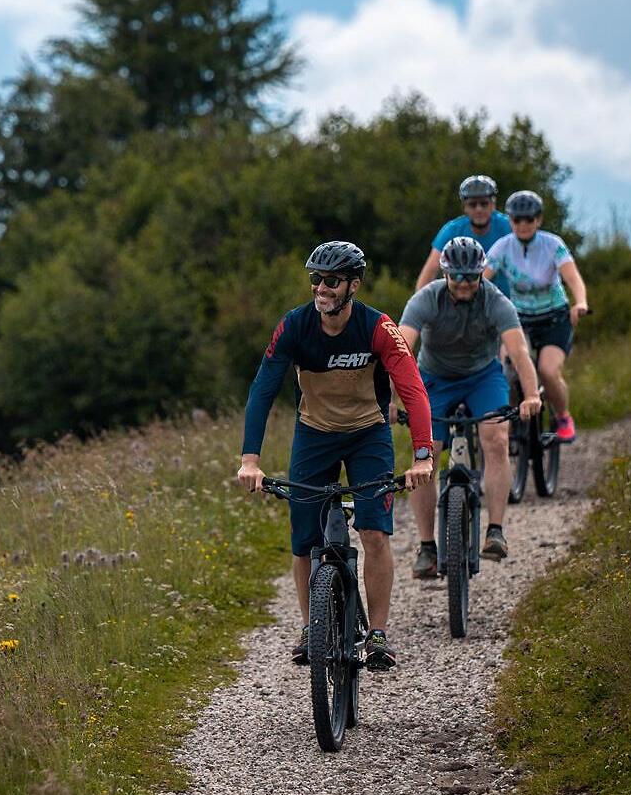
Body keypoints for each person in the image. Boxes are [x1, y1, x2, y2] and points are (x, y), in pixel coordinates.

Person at [237, 241, 435, 671]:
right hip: (314, 434)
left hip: (368, 435)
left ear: (353, 285)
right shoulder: (295, 325)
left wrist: (423, 455)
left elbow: (413, 389)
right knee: (304, 539)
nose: (321, 288)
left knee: (374, 532)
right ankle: (311, 627)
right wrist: (250, 459)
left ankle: (377, 633)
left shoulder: (378, 328)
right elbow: (263, 388)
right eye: (316, 279)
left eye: (331, 280)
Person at [397, 236, 541, 572]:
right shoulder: (426, 298)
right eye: (457, 276)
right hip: (433, 379)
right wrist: (390, 400)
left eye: (472, 276)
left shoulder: (496, 300)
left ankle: (495, 530)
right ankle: (427, 547)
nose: (464, 283)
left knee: (497, 438)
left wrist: (532, 395)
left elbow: (518, 351)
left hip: (482, 377)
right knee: (425, 454)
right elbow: (401, 349)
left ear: (481, 274)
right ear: (445, 273)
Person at [484, 191, 590, 442]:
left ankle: (563, 416)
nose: (523, 225)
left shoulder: (552, 244)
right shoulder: (503, 246)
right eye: (517, 219)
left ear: (538, 220)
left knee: (547, 370)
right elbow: (481, 279)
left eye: (529, 219)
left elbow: (572, 277)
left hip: (554, 318)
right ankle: (510, 420)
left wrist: (581, 302)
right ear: (510, 220)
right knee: (507, 369)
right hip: (519, 319)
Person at [414, 175, 513, 295]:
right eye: (472, 204)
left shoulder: (510, 226)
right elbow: (430, 270)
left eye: (484, 204)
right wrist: (420, 302)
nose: (479, 209)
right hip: (467, 300)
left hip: (509, 300)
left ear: (493, 205)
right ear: (465, 207)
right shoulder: (452, 230)